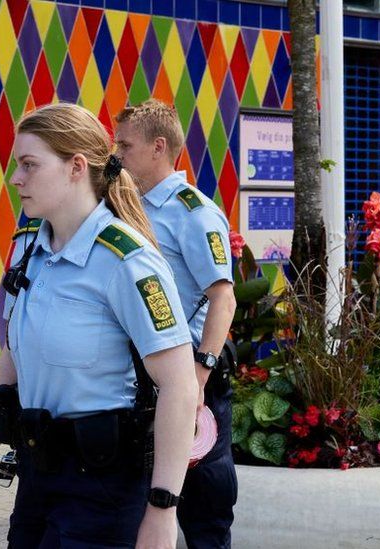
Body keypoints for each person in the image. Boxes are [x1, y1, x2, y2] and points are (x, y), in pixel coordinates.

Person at [0, 103, 198, 548]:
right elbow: (13, 358)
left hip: (104, 489)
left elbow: (180, 387)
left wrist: (162, 510)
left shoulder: (127, 261)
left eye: (29, 165)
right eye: (17, 166)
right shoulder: (29, 248)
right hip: (38, 479)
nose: (16, 179)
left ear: (75, 168)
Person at [115, 100, 237, 549]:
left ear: (158, 147)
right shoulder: (127, 208)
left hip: (192, 373)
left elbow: (223, 297)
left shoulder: (194, 212)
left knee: (204, 509)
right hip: (145, 379)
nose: (117, 154)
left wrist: (200, 373)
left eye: (125, 145)